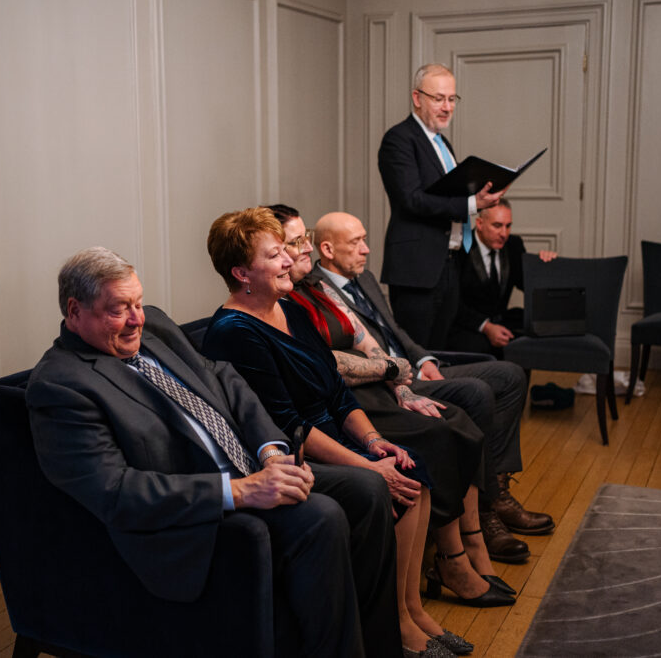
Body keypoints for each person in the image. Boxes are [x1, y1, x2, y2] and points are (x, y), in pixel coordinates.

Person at [26, 247, 402, 658]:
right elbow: (117, 491)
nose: (136, 319)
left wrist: (272, 453)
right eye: (119, 309)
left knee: (367, 489)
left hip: (251, 465)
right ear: (75, 311)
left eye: (137, 303)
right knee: (319, 516)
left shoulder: (156, 328)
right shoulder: (61, 385)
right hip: (195, 511)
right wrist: (242, 491)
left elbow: (225, 378)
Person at [203, 209, 502, 658]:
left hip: (334, 436)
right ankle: (396, 626)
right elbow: (289, 427)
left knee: (409, 467)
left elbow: (337, 391)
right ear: (241, 273)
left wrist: (374, 442)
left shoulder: (288, 308)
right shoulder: (233, 332)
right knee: (391, 483)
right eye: (275, 254)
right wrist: (367, 467)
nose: (289, 261)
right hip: (293, 453)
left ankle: (412, 608)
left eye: (285, 250)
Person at [269, 204, 515, 616]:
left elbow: (371, 337)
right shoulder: (286, 301)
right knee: (438, 432)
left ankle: (470, 542)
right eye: (295, 243)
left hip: (368, 390)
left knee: (458, 419)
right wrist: (391, 374)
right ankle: (450, 562)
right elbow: (324, 367)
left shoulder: (310, 291)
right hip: (339, 402)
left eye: (304, 239)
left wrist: (403, 381)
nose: (304, 249)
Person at [309, 210, 554, 562]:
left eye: (365, 239)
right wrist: (402, 376)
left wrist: (425, 361)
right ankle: (486, 513)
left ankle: (497, 490)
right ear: (328, 249)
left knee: (508, 373)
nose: (366, 249)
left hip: (415, 369)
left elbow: (397, 334)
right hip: (389, 385)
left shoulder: (365, 278)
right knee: (476, 391)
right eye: (356, 242)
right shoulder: (316, 291)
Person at [378, 62, 506, 351]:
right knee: (418, 357)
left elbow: (449, 193)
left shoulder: (441, 142)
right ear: (417, 97)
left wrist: (487, 188)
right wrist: (474, 203)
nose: (447, 107)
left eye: (452, 99)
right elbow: (411, 199)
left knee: (440, 353)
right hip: (417, 269)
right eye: (438, 98)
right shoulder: (398, 139)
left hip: (449, 265)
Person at [449, 199, 557, 357]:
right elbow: (453, 301)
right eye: (497, 225)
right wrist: (486, 327)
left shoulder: (513, 245)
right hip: (469, 325)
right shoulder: (461, 249)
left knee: (529, 336)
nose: (504, 234)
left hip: (502, 320)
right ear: (479, 224)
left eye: (508, 226)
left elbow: (527, 284)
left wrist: (544, 266)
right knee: (477, 347)